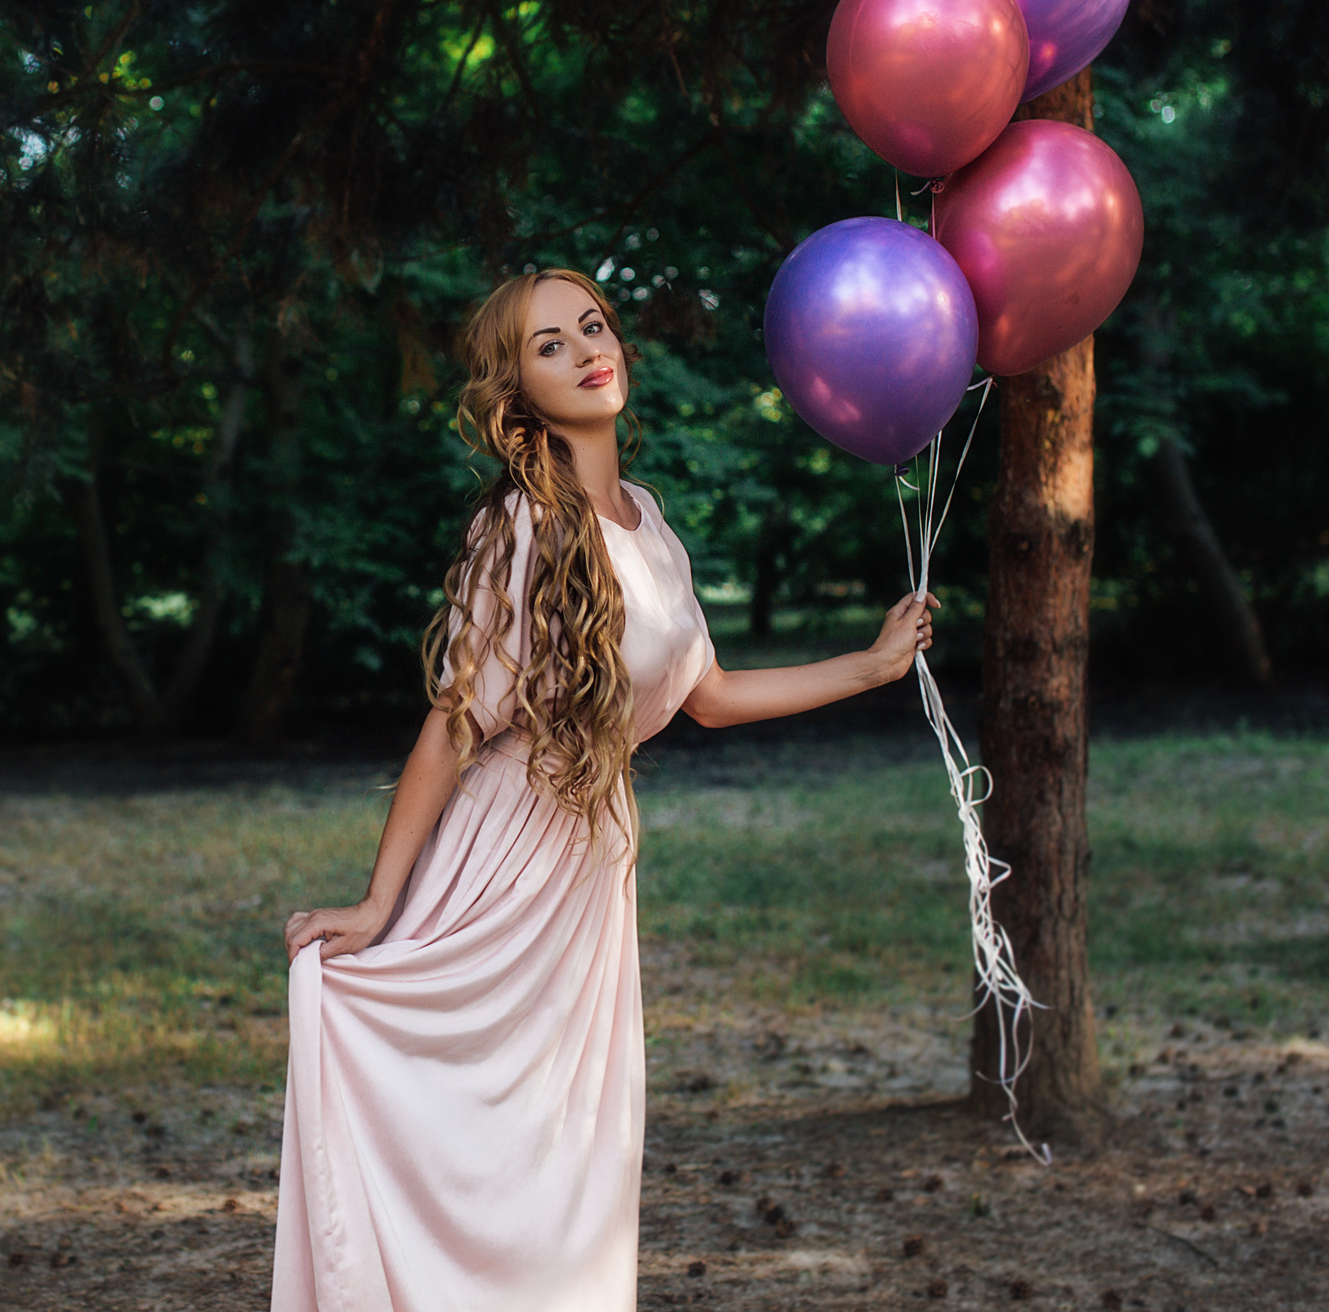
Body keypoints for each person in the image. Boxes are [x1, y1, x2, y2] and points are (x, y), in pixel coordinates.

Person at [271, 267, 936, 1312]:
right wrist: (377, 903)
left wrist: (869, 667)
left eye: (592, 325)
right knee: (493, 1146)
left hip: (592, 871)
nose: (588, 348)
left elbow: (707, 694)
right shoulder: (519, 528)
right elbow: (450, 725)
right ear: (517, 390)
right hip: (505, 859)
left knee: (574, 1151)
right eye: (549, 344)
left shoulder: (647, 521)